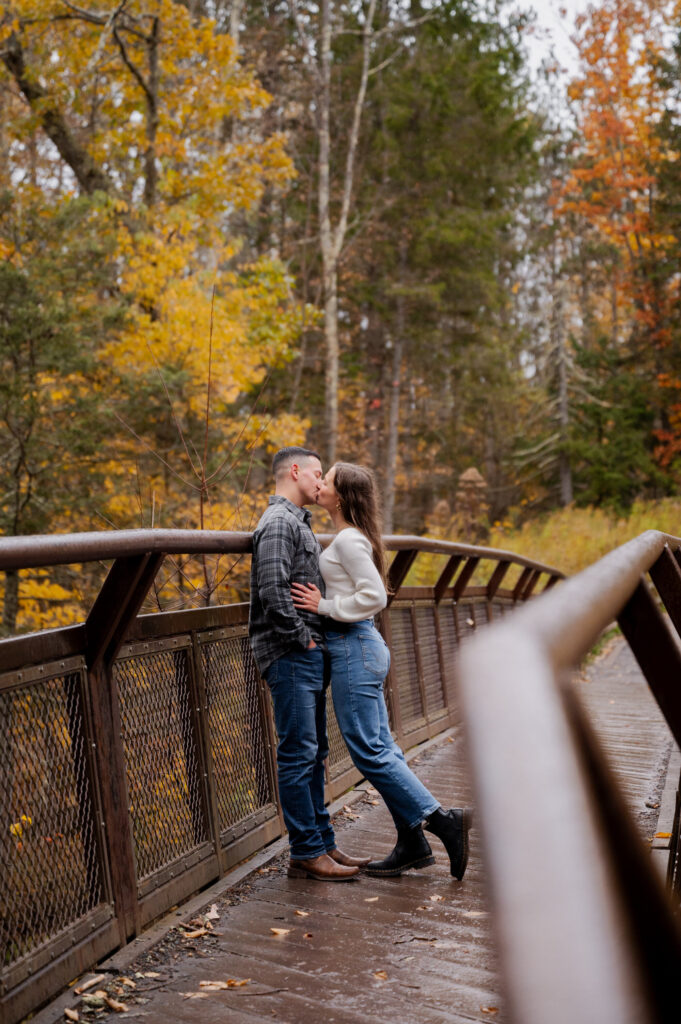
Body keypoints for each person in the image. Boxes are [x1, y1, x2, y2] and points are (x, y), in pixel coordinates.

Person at [291, 461, 473, 879]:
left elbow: (374, 597)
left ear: (342, 495)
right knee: (381, 747)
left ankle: (444, 822)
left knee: (369, 750)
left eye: (328, 480)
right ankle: (412, 842)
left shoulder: (350, 541)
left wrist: (324, 606)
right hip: (359, 647)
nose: (320, 484)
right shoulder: (349, 538)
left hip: (354, 645)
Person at [249, 446, 370, 881]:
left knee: (314, 751)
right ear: (294, 471)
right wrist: (304, 642)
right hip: (290, 654)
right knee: (299, 753)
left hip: (304, 653)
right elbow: (272, 591)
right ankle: (305, 851)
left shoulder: (297, 521)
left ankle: (323, 844)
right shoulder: (279, 522)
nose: (321, 483)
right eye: (317, 474)